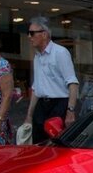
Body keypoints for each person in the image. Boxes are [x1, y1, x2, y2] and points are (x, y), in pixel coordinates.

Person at [24, 16, 79, 144]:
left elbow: (72, 83)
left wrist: (70, 111)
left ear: (44, 34)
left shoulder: (60, 53)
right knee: (38, 144)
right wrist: (29, 115)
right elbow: (36, 88)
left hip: (59, 104)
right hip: (41, 106)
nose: (29, 36)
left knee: (56, 144)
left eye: (32, 33)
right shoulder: (37, 57)